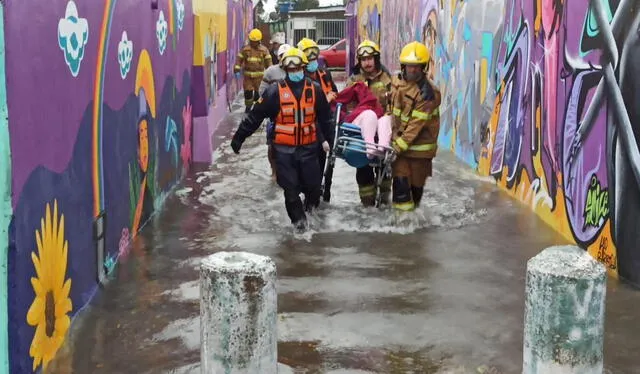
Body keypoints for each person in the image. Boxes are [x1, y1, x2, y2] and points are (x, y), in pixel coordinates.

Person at [230, 48, 333, 231]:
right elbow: (255, 117)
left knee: (314, 189)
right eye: (290, 70)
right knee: (291, 191)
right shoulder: (273, 92)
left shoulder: (315, 90)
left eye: (297, 69)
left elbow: (326, 119)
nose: (294, 72)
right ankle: (301, 230)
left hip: (309, 149)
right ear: (285, 70)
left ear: (303, 67)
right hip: (285, 152)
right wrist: (239, 138)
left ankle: (310, 216)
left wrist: (332, 143)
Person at [389, 41, 441, 212]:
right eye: (410, 66)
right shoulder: (396, 80)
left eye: (417, 66)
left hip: (419, 151)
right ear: (403, 66)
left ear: (423, 66)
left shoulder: (428, 93)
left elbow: (414, 126)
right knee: (401, 189)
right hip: (401, 149)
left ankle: (412, 228)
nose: (413, 70)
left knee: (415, 192)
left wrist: (396, 148)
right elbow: (390, 106)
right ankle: (402, 230)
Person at [345, 40, 394, 206]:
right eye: (363, 59)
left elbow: (395, 104)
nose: (367, 62)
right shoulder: (354, 80)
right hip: (362, 133)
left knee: (386, 171)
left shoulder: (388, 79)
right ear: (359, 61)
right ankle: (367, 208)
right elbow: (348, 108)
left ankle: (385, 203)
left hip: (383, 131)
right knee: (364, 170)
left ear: (376, 58)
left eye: (370, 58)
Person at [297, 38, 339, 201]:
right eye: (309, 58)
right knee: (310, 167)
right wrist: (325, 100)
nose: (313, 61)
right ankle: (309, 198)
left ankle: (324, 193)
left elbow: (335, 92)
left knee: (328, 165)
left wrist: (332, 97)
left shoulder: (324, 74)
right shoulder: (300, 80)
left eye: (315, 57)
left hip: (327, 125)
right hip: (311, 129)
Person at [259, 43, 292, 180]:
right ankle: (274, 171)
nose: (284, 59)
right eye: (282, 56)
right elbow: (262, 91)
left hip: (292, 114)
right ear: (278, 57)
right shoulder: (271, 71)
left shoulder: (297, 70)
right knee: (271, 144)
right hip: (274, 114)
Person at [233, 28, 272, 112]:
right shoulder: (245, 49)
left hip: (260, 77)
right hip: (248, 77)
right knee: (248, 93)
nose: (253, 43)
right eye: (252, 41)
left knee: (259, 94)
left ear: (259, 41)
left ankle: (257, 109)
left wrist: (270, 73)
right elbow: (239, 59)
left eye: (255, 41)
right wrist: (237, 68)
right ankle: (248, 108)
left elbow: (269, 62)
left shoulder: (264, 50)